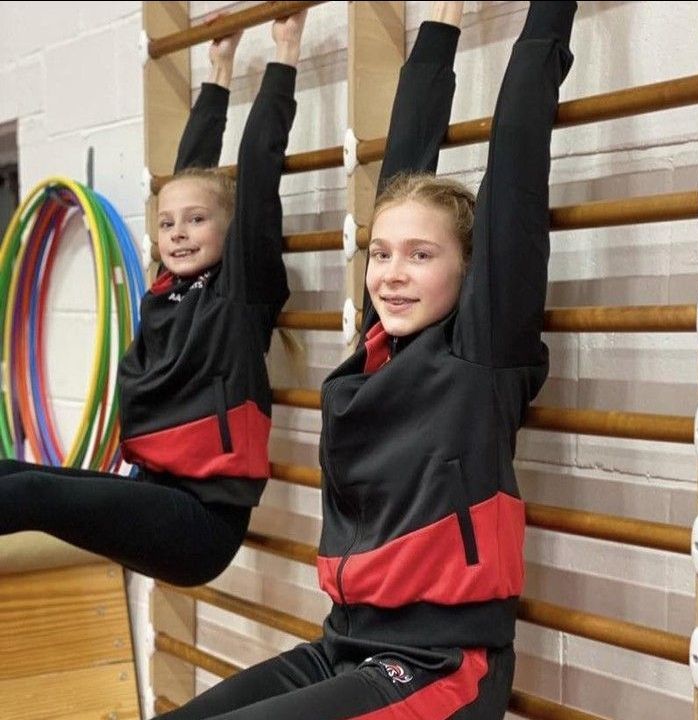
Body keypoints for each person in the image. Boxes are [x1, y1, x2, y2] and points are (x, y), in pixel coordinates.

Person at [153, 1, 576, 718]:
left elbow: (517, 158)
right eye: (380, 253)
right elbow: (406, 156)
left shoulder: (482, 354)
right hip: (345, 643)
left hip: (439, 664)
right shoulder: (373, 357)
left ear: (470, 271)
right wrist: (440, 19)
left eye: (421, 255)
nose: (391, 273)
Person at [0, 10, 307, 586]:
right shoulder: (165, 291)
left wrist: (284, 51)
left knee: (35, 493)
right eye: (167, 224)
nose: (179, 233)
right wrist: (217, 68)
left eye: (197, 221)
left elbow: (259, 171)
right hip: (153, 492)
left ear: (231, 229)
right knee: (14, 473)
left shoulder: (239, 293)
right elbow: (190, 171)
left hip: (201, 525)